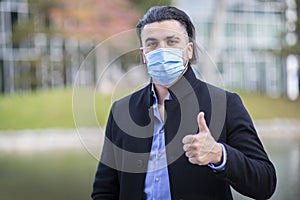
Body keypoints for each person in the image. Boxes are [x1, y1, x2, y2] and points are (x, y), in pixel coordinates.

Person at [92, 6, 276, 200]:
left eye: (172, 41)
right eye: (152, 44)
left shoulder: (225, 104)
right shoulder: (122, 111)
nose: (162, 50)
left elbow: (265, 182)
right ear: (144, 55)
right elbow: (104, 190)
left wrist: (220, 155)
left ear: (189, 50)